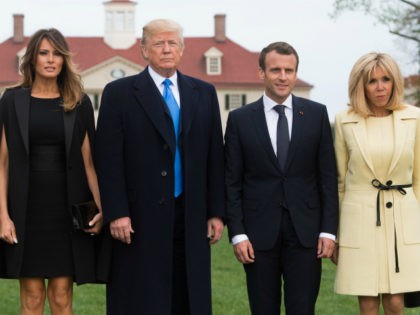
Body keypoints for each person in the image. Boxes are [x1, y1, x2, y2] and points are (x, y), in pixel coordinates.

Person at [95, 19, 225, 315]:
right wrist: (117, 212)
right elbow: (108, 159)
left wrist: (216, 211)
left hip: (190, 214)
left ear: (182, 49)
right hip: (137, 218)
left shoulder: (203, 92)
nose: (166, 49)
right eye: (158, 43)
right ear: (144, 50)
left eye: (172, 43)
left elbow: (214, 156)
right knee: (141, 298)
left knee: (187, 296)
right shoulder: (119, 94)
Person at [224, 41, 338, 315]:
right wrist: (237, 234)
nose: (283, 76)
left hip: (306, 232)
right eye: (275, 70)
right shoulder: (240, 119)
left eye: (289, 70)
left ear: (296, 73)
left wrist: (328, 230)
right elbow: (231, 181)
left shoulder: (316, 115)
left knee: (302, 309)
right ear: (261, 73)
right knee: (263, 308)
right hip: (257, 233)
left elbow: (327, 177)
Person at [0, 28, 103, 315]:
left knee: (61, 297)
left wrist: (102, 208)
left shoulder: (78, 102)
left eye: (57, 54)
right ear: (32, 59)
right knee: (31, 298)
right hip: (26, 211)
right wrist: (2, 216)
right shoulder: (12, 101)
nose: (50, 59)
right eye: (44, 53)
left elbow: (89, 163)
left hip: (66, 212)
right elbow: (2, 163)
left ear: (64, 60)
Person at [333, 52, 420, 314]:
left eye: (386, 79)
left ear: (395, 82)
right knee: (368, 304)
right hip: (359, 220)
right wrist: (337, 235)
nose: (380, 87)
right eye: (372, 81)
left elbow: (419, 178)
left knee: (395, 302)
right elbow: (340, 182)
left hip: (403, 220)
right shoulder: (344, 120)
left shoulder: (414, 117)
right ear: (361, 85)